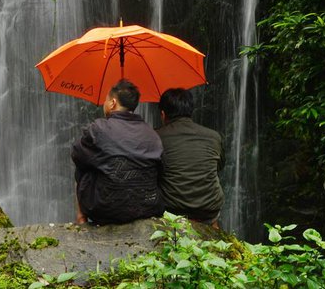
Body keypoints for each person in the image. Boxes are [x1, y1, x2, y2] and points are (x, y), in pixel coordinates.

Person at [70, 79, 164, 225]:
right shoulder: (152, 134)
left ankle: (81, 219)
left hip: (105, 209)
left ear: (113, 103)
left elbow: (76, 153)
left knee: (83, 165)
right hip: (147, 208)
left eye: (105, 100)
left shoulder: (99, 128)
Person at [156, 88, 225, 227]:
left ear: (163, 114)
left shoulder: (155, 137)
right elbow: (219, 166)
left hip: (172, 211)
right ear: (191, 111)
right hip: (208, 210)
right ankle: (214, 233)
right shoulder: (214, 137)